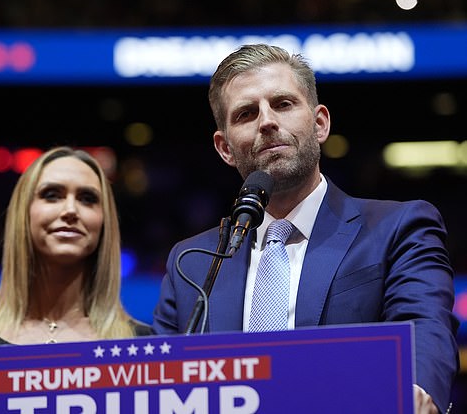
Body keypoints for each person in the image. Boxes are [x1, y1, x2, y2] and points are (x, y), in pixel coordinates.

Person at [152, 44, 459, 413]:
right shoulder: (194, 263)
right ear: (225, 148)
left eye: (283, 104)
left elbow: (424, 327)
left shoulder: (398, 228)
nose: (266, 121)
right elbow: (162, 382)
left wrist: (415, 388)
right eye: (247, 113)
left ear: (319, 123)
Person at [0, 146, 151, 348]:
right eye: (52, 195)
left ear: (105, 222)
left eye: (87, 198)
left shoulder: (145, 346)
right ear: (23, 215)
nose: (70, 210)